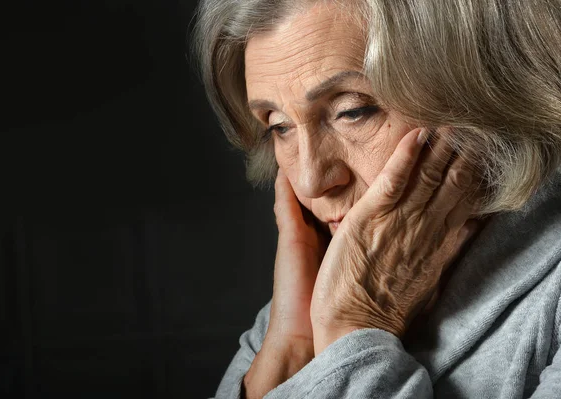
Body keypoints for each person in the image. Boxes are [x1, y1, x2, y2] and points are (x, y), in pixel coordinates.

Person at [192, 0, 561, 397]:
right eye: (280, 126)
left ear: (483, 88)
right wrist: (286, 350)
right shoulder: (309, 289)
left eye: (352, 111)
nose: (311, 179)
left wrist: (353, 329)